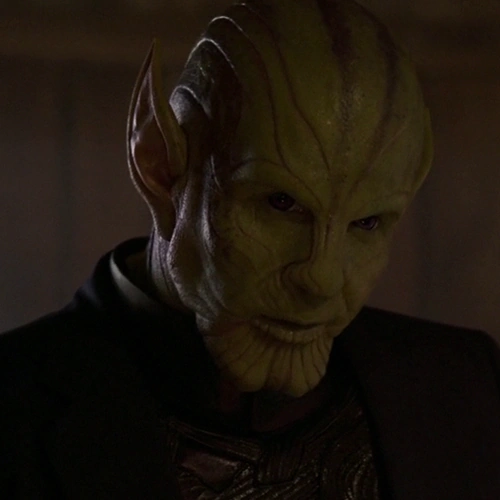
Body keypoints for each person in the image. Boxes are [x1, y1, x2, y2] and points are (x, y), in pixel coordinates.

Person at [2, 0, 500, 498]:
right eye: (281, 203)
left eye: (367, 223)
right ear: (161, 167)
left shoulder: (465, 389)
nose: (322, 279)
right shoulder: (14, 406)